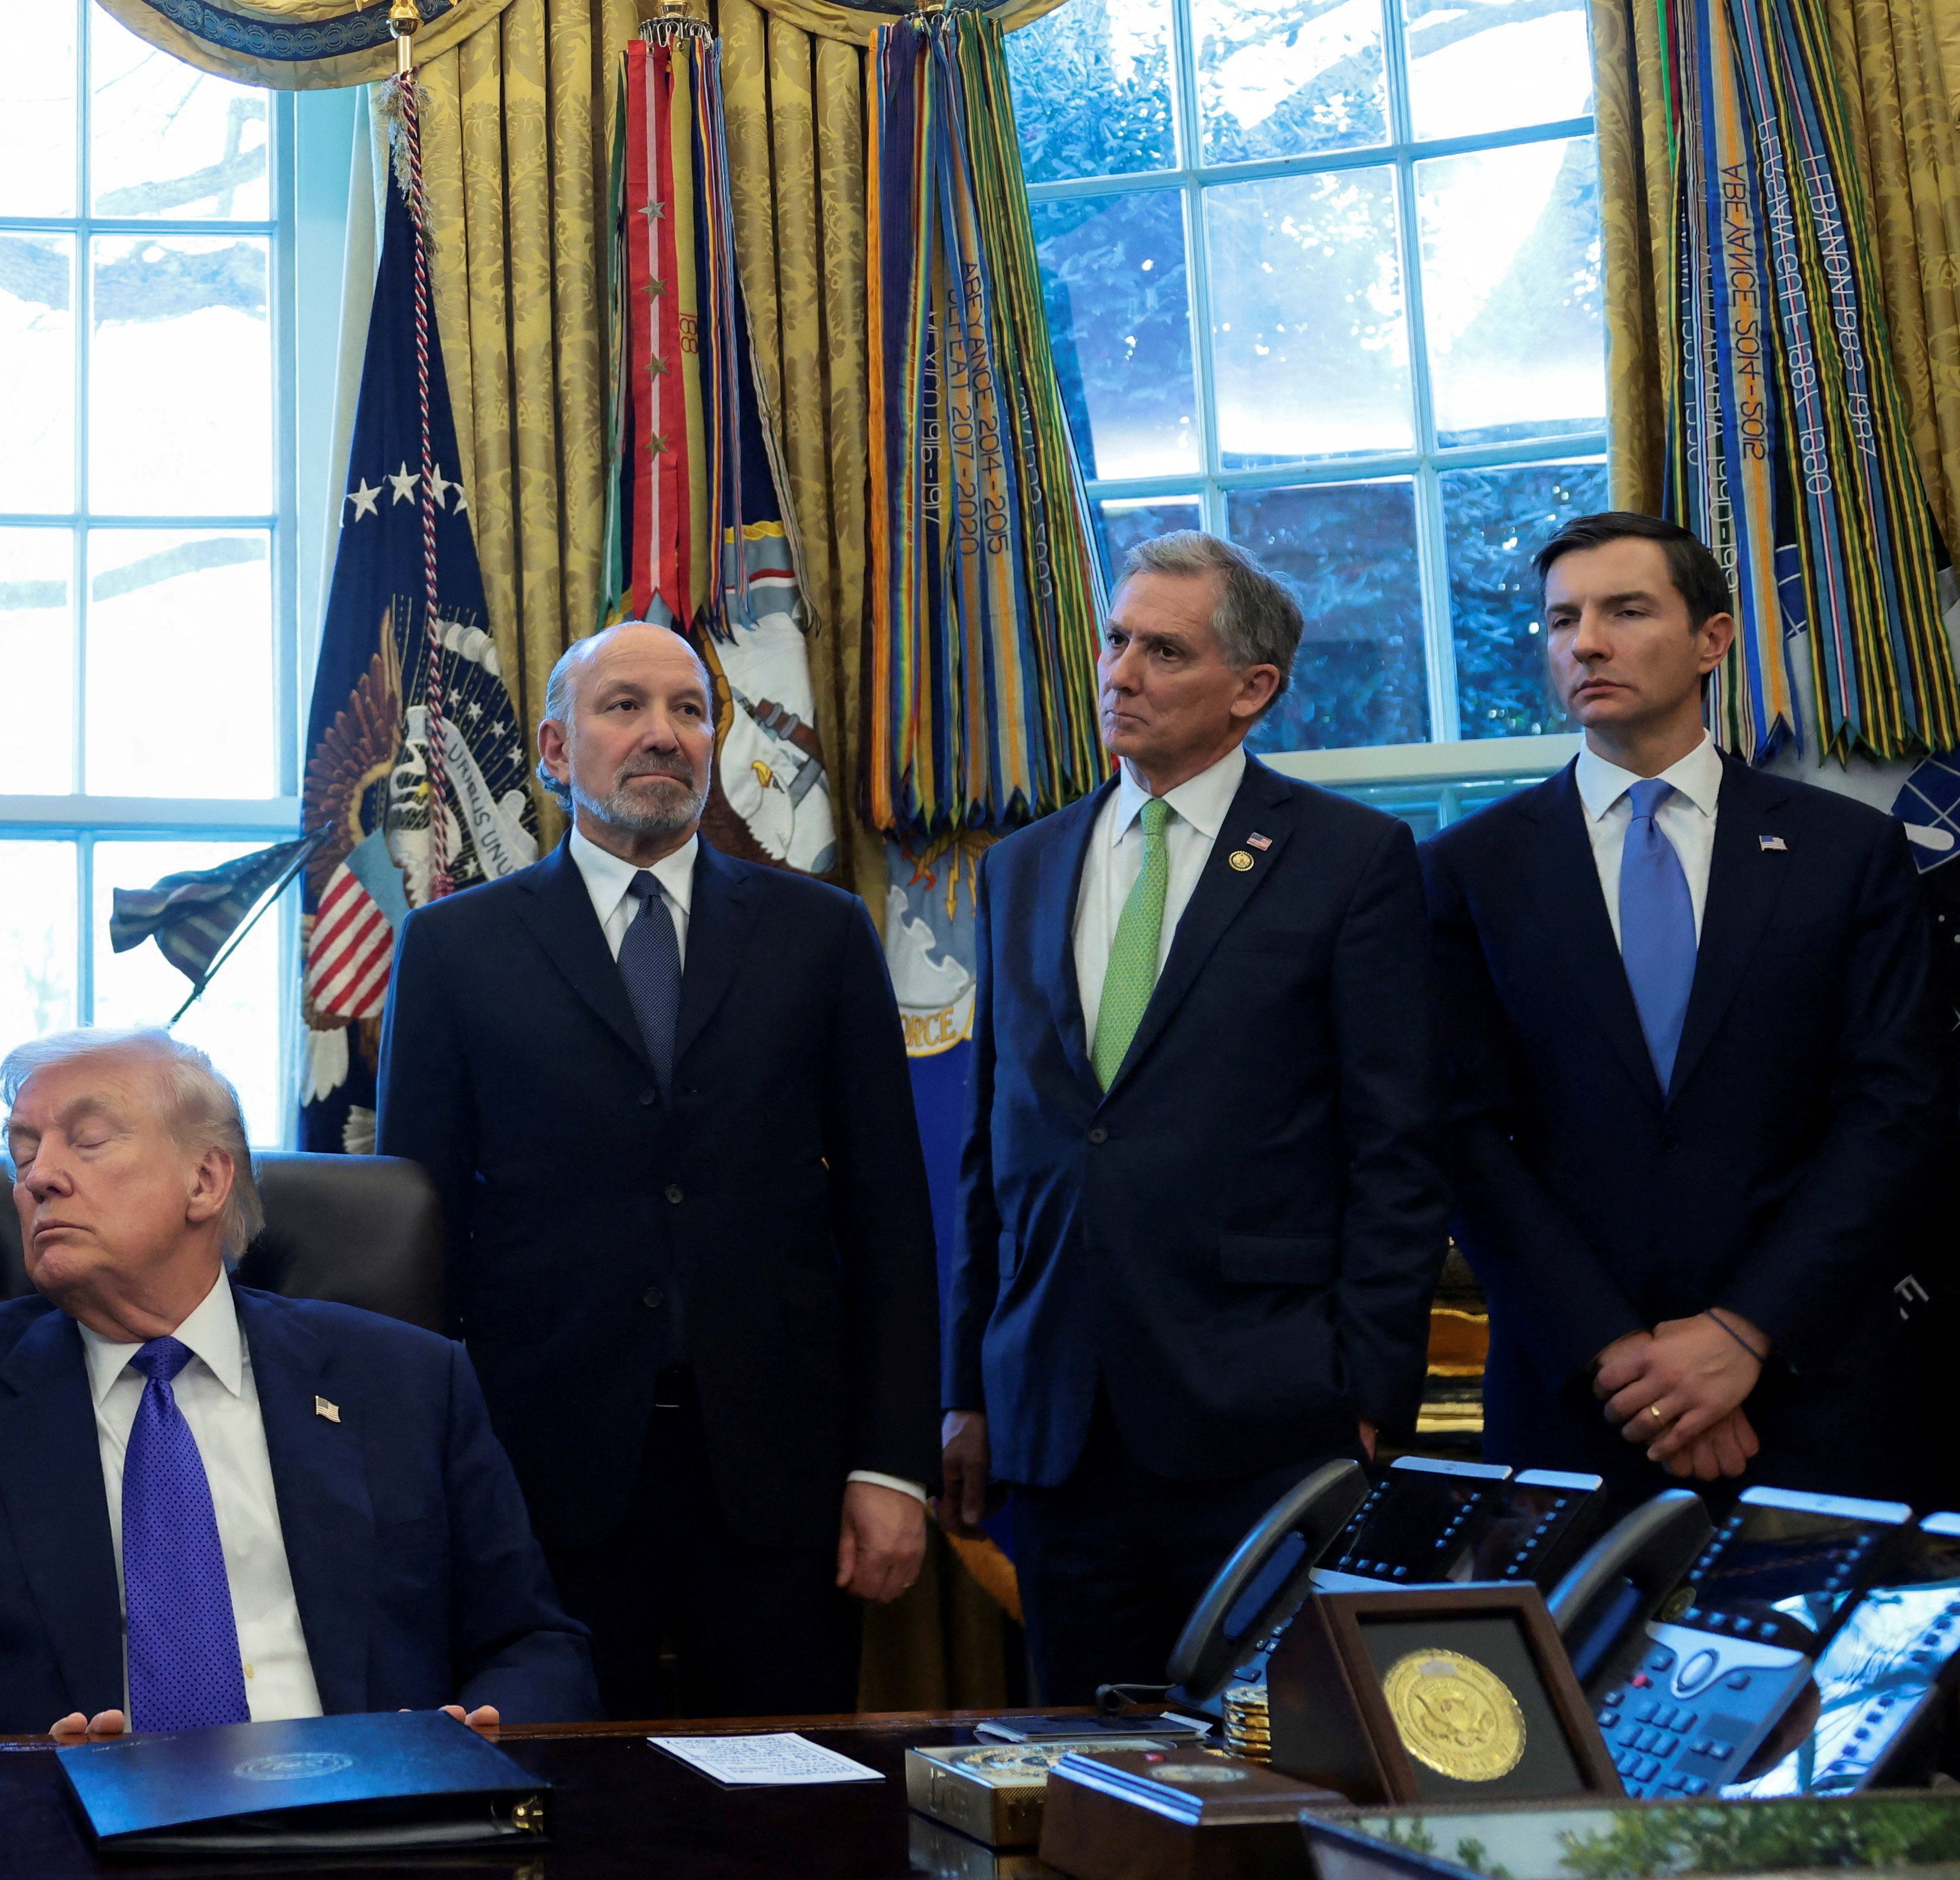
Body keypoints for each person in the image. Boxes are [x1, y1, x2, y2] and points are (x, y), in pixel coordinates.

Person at [376, 620, 940, 1717]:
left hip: (782, 1474)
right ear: (555, 747)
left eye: (690, 710)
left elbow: (890, 1222)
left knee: (784, 1788)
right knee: (570, 1793)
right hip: (542, 1471)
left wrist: (889, 1466)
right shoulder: (452, 949)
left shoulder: (821, 935)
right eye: (624, 706)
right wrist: (423, 1479)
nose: (663, 734)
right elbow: (415, 1239)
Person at [0, 1029, 596, 1737]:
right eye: (22, 1151)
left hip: (366, 1826)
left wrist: (475, 1740)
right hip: (58, 1839)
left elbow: (536, 1645)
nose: (38, 1177)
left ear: (205, 1180)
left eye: (87, 1140)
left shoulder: (406, 1381)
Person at [941, 531, 1446, 1703]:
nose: (1120, 673)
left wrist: (1371, 1391)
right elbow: (992, 1151)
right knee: (1085, 1766)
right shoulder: (1023, 864)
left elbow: (1397, 1149)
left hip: (1264, 1415)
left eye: (1163, 651)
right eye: (1115, 640)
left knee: (1277, 1758)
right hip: (1058, 1421)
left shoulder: (1349, 859)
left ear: (1252, 687)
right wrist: (969, 1385)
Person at [1430, 511, 1943, 1501]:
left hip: (1814, 1390)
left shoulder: (1847, 852)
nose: (1585, 643)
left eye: (1626, 611)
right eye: (1562, 620)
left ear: (1713, 640)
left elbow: (1897, 1111)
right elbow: (1460, 1136)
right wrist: (1621, 1357)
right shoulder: (1467, 870)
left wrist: (1745, 1333)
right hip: (1580, 1402)